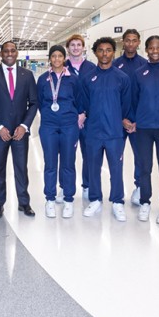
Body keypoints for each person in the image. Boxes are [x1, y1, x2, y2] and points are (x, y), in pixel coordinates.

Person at [0, 41, 38, 219]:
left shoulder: (27, 75)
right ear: (1, 54)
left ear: (17, 53)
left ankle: (24, 202)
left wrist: (24, 126)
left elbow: (34, 103)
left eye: (13, 50)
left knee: (21, 168)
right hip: (0, 132)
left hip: (20, 132)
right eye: (6, 51)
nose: (10, 54)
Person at [80, 37, 131, 221]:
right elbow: (84, 104)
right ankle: (95, 199)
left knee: (116, 168)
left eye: (108, 50)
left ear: (113, 53)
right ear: (95, 53)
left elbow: (126, 105)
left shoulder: (122, 78)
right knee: (93, 167)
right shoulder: (87, 78)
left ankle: (117, 201)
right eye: (101, 50)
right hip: (93, 132)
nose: (104, 54)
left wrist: (120, 123)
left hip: (114, 133)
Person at [128, 35, 159, 225]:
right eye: (151, 48)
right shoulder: (139, 73)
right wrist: (135, 119)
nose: (155, 51)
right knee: (144, 167)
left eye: (158, 47)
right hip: (144, 128)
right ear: (146, 49)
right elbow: (134, 99)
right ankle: (145, 202)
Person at [37, 45, 81, 218]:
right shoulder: (43, 79)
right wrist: (49, 115)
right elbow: (39, 101)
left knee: (68, 163)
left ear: (64, 58)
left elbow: (79, 99)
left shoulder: (73, 79)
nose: (56, 59)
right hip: (48, 125)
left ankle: (68, 199)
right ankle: (49, 198)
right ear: (50, 58)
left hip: (69, 125)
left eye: (59, 56)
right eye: (53, 56)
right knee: (50, 163)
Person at [113, 29, 148, 206]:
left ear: (139, 42)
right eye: (128, 40)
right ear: (123, 41)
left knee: (140, 157)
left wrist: (138, 120)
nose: (131, 43)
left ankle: (139, 187)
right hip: (118, 120)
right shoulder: (114, 64)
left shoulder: (145, 65)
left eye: (134, 40)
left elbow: (147, 95)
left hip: (139, 121)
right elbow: (111, 96)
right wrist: (121, 119)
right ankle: (117, 191)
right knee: (116, 157)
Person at [64, 34, 96, 201]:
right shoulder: (62, 67)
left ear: (83, 48)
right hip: (68, 119)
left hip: (88, 119)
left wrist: (84, 114)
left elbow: (96, 94)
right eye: (72, 45)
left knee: (88, 154)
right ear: (68, 48)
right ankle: (65, 187)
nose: (76, 48)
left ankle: (87, 185)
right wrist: (74, 114)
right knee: (67, 155)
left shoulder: (92, 67)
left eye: (78, 45)